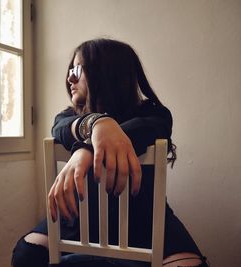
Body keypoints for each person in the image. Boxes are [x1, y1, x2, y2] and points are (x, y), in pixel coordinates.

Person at [11, 38, 208, 267]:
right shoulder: (68, 117)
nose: (69, 78)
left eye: (78, 69)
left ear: (106, 73)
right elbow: (60, 128)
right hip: (78, 220)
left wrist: (86, 149)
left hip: (144, 221)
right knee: (26, 254)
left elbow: (147, 128)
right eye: (70, 70)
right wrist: (97, 123)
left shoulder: (154, 115)